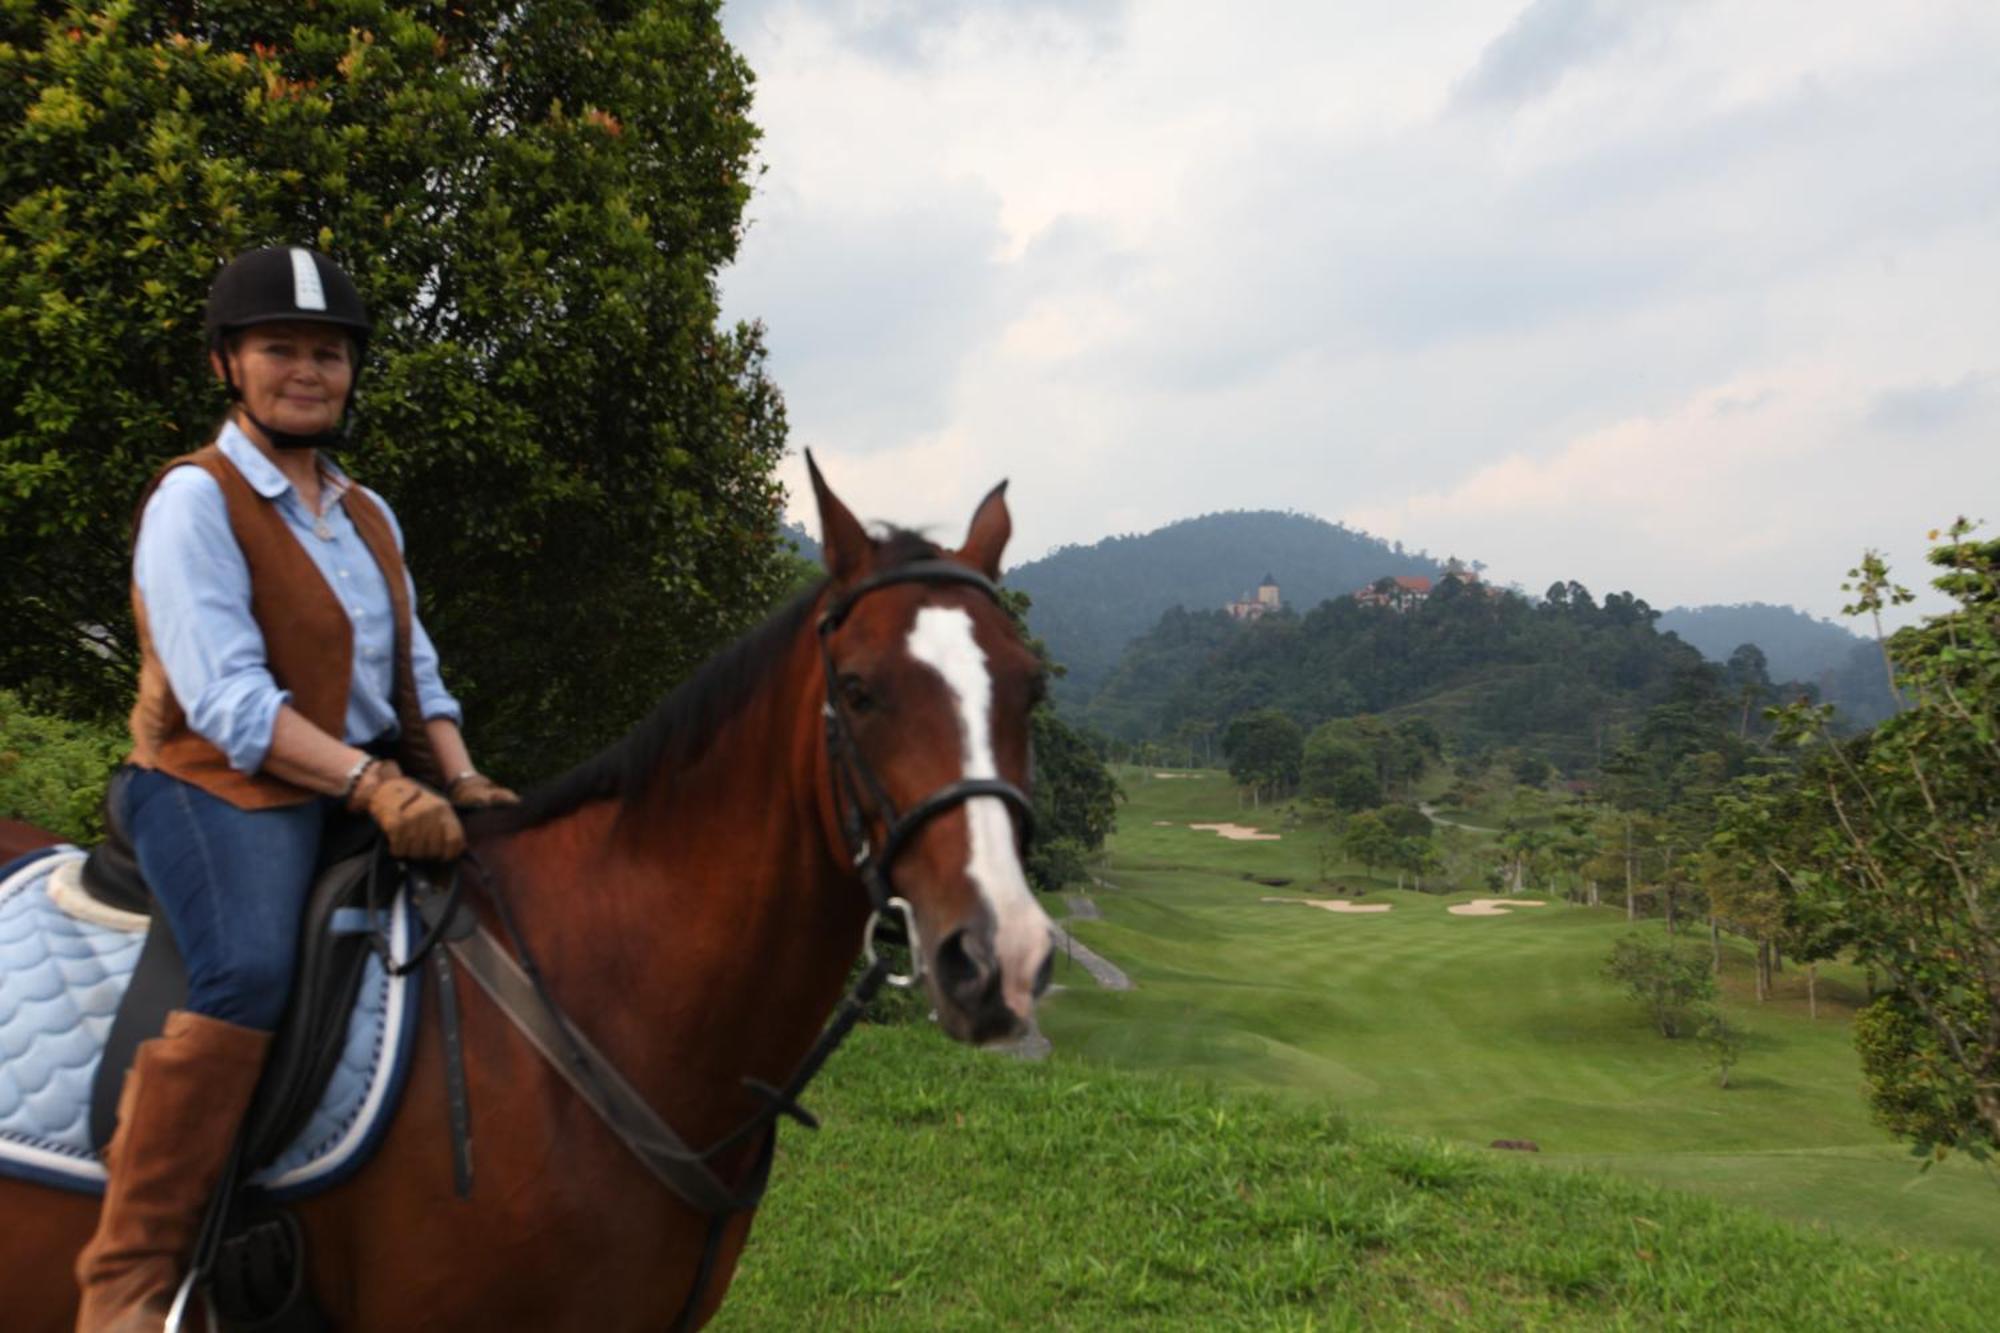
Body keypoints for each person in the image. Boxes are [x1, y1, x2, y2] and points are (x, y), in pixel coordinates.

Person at [74, 246, 518, 1331]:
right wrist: (370, 782)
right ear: (231, 363)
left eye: (328, 352)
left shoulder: (365, 513)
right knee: (249, 969)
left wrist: (461, 778)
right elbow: (225, 699)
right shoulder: (194, 500)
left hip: (363, 784)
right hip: (217, 787)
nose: (307, 370)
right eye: (281, 348)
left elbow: (415, 674)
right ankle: (132, 1279)